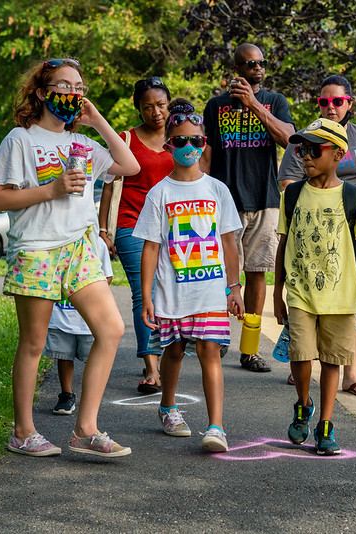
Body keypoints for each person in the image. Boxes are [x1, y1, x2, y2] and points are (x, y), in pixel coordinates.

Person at [0, 58, 140, 457]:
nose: (73, 93)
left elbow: (129, 165)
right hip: (36, 249)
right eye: (63, 85)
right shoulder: (20, 140)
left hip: (78, 248)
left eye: (78, 87)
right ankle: (23, 432)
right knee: (34, 343)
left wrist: (97, 121)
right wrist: (50, 190)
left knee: (111, 329)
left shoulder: (83, 144)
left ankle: (85, 430)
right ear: (41, 92)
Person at [278, 75, 356, 398]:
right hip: (321, 232)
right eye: (323, 102)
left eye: (337, 102)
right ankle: (304, 360)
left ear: (349, 104)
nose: (330, 108)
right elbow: (288, 183)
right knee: (318, 294)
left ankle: (351, 372)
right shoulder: (309, 141)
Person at [135, 98, 244, 453]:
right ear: (169, 145)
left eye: (196, 141)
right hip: (173, 292)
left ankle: (216, 427)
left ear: (204, 143)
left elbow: (229, 242)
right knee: (176, 349)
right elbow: (150, 248)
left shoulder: (217, 190)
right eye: (180, 140)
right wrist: (147, 296)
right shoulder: (159, 193)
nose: (188, 147)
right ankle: (167, 406)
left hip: (210, 291)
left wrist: (234, 287)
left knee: (210, 350)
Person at [273, 118, 356, 455]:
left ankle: (326, 426)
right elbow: (282, 244)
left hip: (342, 295)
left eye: (314, 150)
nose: (305, 156)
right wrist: (277, 292)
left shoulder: (352, 196)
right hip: (301, 293)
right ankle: (303, 404)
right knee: (300, 355)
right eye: (302, 150)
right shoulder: (292, 193)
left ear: (337, 154)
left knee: (332, 360)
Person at [201, 43, 295, 373]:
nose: (257, 68)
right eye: (249, 64)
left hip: (264, 200)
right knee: (223, 276)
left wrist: (254, 104)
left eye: (261, 62)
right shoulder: (215, 106)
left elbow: (289, 140)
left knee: (257, 274)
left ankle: (250, 349)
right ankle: (218, 337)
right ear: (237, 69)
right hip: (223, 203)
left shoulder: (275, 102)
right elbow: (207, 154)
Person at [98, 77, 173, 394]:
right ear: (138, 108)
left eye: (161, 105)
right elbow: (109, 184)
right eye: (147, 107)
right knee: (145, 294)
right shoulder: (125, 139)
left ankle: (169, 355)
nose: (155, 112)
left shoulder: (182, 140)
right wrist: (104, 229)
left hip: (172, 228)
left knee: (168, 293)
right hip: (132, 224)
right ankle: (152, 367)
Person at [45, 236, 113, 415]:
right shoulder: (56, 239)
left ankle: (91, 398)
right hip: (61, 313)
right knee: (64, 354)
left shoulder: (97, 243)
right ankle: (66, 394)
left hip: (87, 317)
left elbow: (107, 276)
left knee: (93, 356)